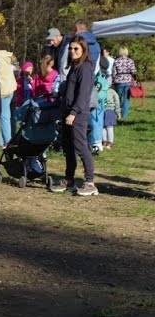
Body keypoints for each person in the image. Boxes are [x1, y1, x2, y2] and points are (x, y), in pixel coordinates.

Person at [50, 36, 98, 197]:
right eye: (70, 48)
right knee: (68, 146)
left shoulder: (85, 68)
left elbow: (83, 95)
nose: (72, 51)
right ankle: (69, 180)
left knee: (81, 146)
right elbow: (71, 90)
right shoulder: (74, 66)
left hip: (78, 113)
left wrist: (73, 112)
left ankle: (90, 182)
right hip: (67, 111)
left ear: (83, 50)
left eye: (76, 48)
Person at [0, 39, 17, 148]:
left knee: (1, 116)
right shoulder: (5, 54)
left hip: (2, 90)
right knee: (6, 116)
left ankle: (7, 141)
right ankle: (4, 142)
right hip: (11, 88)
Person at [111, 46, 137, 121]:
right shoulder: (130, 61)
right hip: (128, 81)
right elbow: (134, 72)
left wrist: (113, 80)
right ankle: (124, 115)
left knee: (117, 98)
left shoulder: (116, 61)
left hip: (118, 81)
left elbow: (114, 73)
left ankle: (117, 113)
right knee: (126, 98)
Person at [103, 85, 121, 149]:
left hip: (101, 111)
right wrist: (118, 112)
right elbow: (117, 102)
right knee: (109, 127)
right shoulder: (112, 91)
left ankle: (104, 141)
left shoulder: (99, 90)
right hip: (110, 110)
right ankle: (110, 142)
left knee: (103, 127)